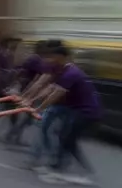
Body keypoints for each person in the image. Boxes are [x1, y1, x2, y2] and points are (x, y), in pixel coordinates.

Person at [32, 40, 101, 185]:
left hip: (86, 112)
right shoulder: (66, 71)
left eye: (53, 58)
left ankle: (84, 171)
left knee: (68, 140)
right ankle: (58, 165)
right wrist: (31, 100)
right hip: (80, 111)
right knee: (64, 136)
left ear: (62, 57)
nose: (50, 61)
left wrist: (39, 108)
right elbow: (50, 89)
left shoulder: (71, 73)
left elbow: (55, 94)